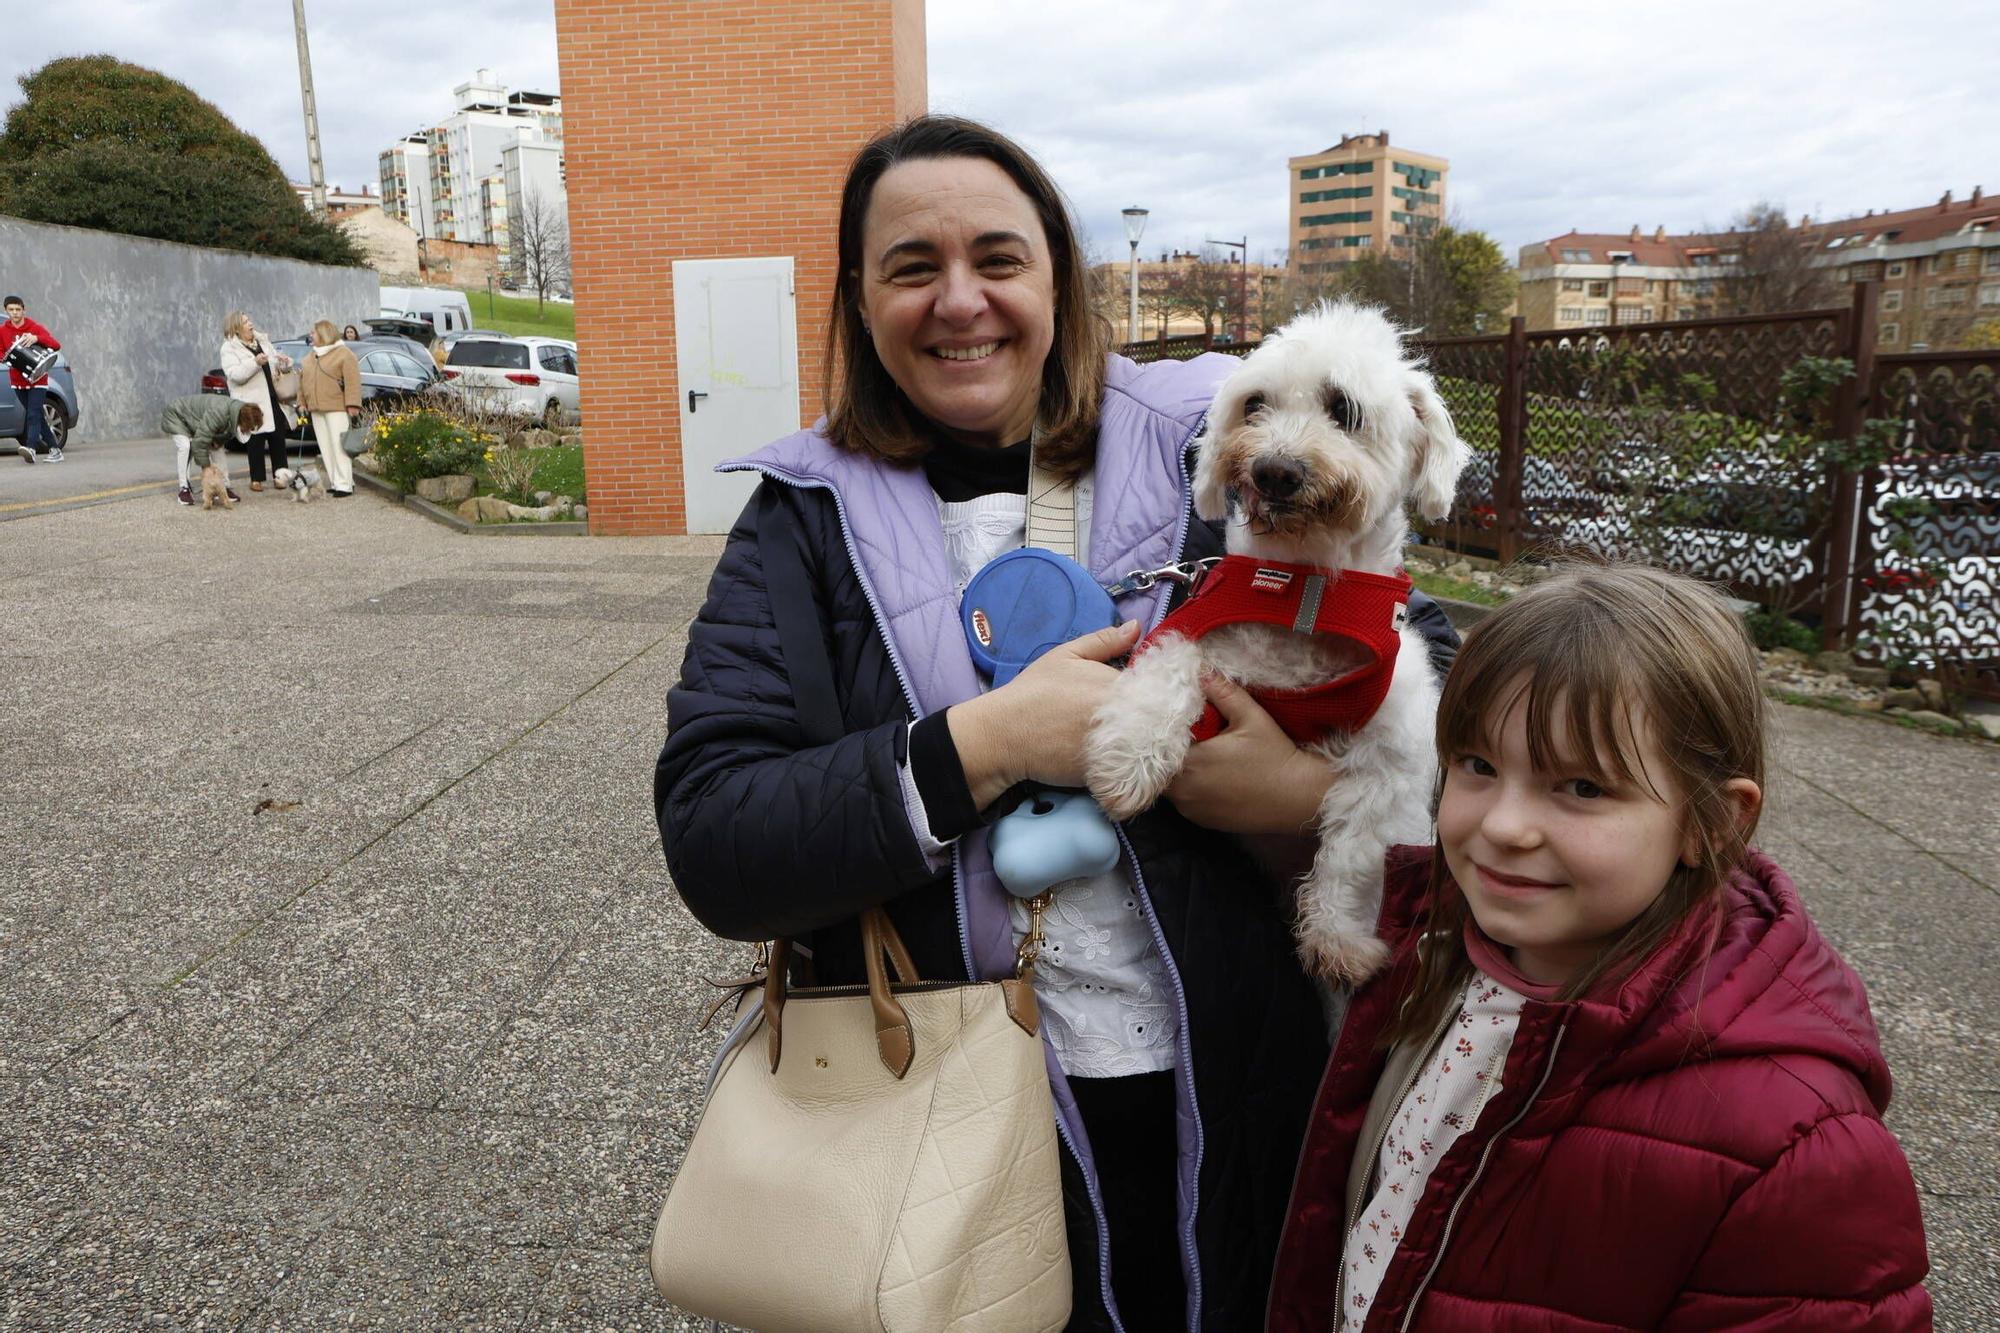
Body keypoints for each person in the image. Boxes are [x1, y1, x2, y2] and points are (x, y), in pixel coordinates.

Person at [655, 116, 1459, 1331]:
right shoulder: (800, 516)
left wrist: (1296, 806)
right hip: (943, 1092)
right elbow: (718, 836)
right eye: (911, 268)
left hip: (1233, 1084)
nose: (958, 300)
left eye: (998, 258)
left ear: (1056, 280)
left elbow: (1420, 658)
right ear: (860, 303)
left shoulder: (1219, 439)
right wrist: (986, 745)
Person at [1266, 564, 1931, 1332]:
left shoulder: (1798, 1153)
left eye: (1582, 787)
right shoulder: (1429, 959)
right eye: (1478, 766)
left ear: (1712, 821)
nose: (1505, 826)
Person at [219, 311, 294, 492]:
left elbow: (276, 365)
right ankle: (257, 478)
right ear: (236, 328)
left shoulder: (262, 341)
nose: (251, 324)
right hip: (251, 403)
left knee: (278, 438)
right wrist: (255, 363)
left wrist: (285, 363)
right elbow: (234, 375)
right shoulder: (229, 348)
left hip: (272, 397)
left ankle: (281, 476)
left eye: (250, 320)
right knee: (255, 440)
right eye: (246, 322)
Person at [298, 319, 360, 497]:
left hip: (336, 407)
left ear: (324, 334)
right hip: (316, 408)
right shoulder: (310, 357)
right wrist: (302, 402)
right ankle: (336, 481)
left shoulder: (343, 354)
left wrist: (353, 404)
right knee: (326, 447)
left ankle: (345, 484)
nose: (311, 335)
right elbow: (302, 383)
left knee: (339, 446)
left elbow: (353, 381)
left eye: (313, 332)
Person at [160, 395, 258, 506]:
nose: (249, 431)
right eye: (249, 428)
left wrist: (217, 442)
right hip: (177, 415)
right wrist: (206, 467)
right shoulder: (219, 413)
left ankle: (223, 487)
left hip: (195, 420)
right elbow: (200, 441)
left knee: (217, 448)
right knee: (186, 446)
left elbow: (218, 438)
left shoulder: (237, 414)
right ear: (244, 422)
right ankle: (184, 488)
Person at [5, 295, 63, 463]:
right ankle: (55, 450)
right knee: (36, 415)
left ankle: (31, 448)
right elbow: (1, 351)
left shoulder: (34, 327)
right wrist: (4, 357)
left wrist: (37, 338)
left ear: (24, 310)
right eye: (11, 310)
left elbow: (55, 344)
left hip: (38, 379)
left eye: (18, 309)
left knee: (32, 414)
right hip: (17, 380)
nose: (15, 313)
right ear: (6, 311)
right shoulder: (2, 331)